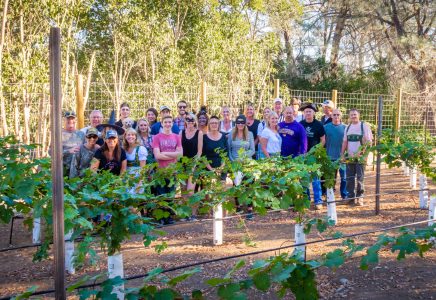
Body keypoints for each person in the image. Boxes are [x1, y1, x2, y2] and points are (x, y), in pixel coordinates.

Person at [152, 115, 183, 224]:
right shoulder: (157, 137)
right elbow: (157, 156)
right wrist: (173, 155)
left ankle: (169, 217)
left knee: (171, 195)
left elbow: (180, 155)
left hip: (172, 171)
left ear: (172, 123)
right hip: (161, 171)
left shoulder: (176, 137)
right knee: (161, 195)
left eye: (170, 122)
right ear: (162, 123)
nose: (168, 124)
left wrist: (164, 153)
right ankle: (161, 218)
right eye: (165, 122)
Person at [341, 108, 373, 206]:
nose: (353, 116)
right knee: (350, 178)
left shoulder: (364, 126)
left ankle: (360, 197)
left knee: (360, 178)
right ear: (349, 116)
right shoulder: (348, 127)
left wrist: (364, 154)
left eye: (355, 114)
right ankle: (351, 197)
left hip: (361, 157)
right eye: (351, 115)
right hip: (350, 157)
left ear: (359, 115)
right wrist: (342, 154)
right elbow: (345, 142)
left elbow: (369, 142)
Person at [228, 115, 255, 219]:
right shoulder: (231, 134)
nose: (240, 124)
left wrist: (243, 158)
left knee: (249, 184)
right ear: (236, 123)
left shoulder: (250, 134)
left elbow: (252, 150)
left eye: (242, 123)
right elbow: (229, 149)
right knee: (236, 185)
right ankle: (238, 206)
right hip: (235, 163)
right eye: (238, 123)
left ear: (245, 124)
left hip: (246, 163)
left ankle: (249, 209)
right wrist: (233, 161)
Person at [300, 103, 325, 209]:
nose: (308, 113)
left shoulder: (318, 125)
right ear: (304, 113)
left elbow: (323, 140)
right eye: (306, 111)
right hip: (303, 155)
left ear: (314, 113)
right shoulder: (300, 124)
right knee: (304, 179)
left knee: (315, 179)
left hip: (313, 156)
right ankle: (306, 200)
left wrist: (316, 150)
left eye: (310, 111)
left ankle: (318, 201)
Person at [180, 113, 203, 221]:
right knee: (183, 190)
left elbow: (199, 152)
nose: (190, 121)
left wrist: (194, 164)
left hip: (194, 165)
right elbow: (179, 150)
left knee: (190, 191)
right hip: (182, 164)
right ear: (185, 121)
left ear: (195, 121)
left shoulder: (199, 133)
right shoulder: (181, 133)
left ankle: (193, 214)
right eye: (188, 120)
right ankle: (186, 214)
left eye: (192, 120)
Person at [324, 109, 348, 199]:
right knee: (331, 178)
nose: (336, 116)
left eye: (338, 115)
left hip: (342, 157)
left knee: (344, 178)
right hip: (329, 157)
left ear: (340, 116)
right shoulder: (326, 127)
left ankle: (344, 195)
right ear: (331, 116)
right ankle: (330, 194)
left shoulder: (345, 128)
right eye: (334, 115)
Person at [202, 116, 228, 181]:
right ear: (209, 125)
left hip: (222, 168)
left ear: (219, 125)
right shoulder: (204, 137)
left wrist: (221, 168)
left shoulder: (223, 137)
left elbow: (226, 154)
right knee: (209, 190)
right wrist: (211, 169)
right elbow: (203, 156)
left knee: (221, 190)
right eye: (212, 123)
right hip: (208, 169)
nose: (214, 125)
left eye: (216, 123)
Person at [61, 111, 85, 177]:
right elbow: (51, 153)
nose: (71, 125)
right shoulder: (58, 135)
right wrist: (68, 151)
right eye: (68, 122)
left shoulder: (81, 134)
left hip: (79, 169)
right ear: (64, 121)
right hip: (64, 169)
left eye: (73, 122)